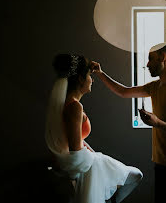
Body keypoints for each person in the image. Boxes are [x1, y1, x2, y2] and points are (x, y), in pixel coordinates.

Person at [91, 43, 166, 203]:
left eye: (150, 59)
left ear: (163, 58)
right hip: (161, 163)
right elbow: (124, 92)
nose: (147, 64)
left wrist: (157, 122)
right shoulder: (156, 86)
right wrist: (100, 73)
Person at [45, 54, 143, 203]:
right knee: (136, 175)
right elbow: (76, 152)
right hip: (84, 166)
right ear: (80, 79)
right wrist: (96, 159)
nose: (92, 80)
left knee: (133, 175)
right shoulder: (74, 107)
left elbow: (73, 140)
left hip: (85, 158)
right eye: (90, 76)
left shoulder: (66, 104)